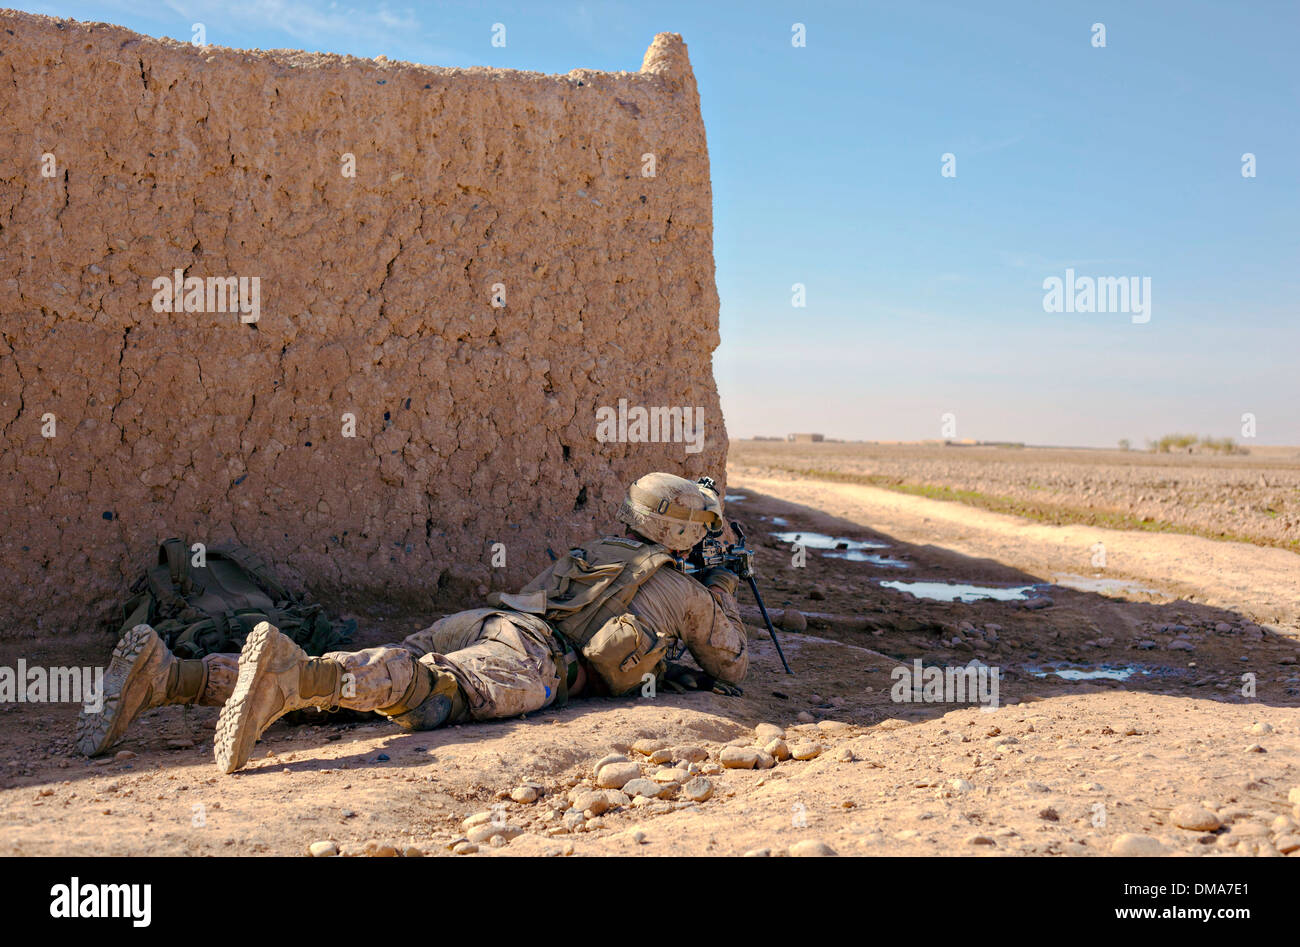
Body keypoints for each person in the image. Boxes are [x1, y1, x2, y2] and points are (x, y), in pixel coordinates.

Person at [77, 473, 749, 775]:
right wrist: (722, 591)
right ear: (684, 531)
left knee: (365, 681)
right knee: (426, 694)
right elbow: (732, 663)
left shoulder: (599, 551)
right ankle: (289, 672)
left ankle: (172, 676)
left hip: (489, 621)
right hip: (538, 660)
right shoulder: (682, 591)